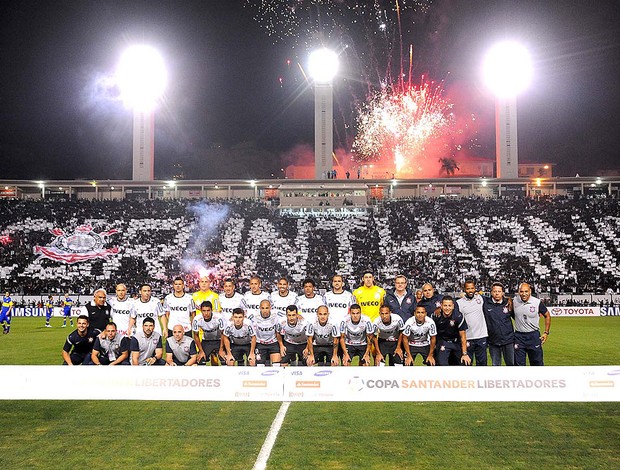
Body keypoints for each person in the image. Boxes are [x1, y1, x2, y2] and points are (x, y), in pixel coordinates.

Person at [513, 283, 551, 366]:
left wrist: (546, 332)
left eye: (526, 291)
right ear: (518, 292)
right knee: (518, 365)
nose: (524, 294)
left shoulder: (537, 302)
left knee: (537, 364)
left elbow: (547, 315)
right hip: (519, 336)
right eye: (521, 291)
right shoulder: (514, 301)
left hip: (533, 336)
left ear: (530, 291)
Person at [456, 279, 488, 366]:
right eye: (468, 288)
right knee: (467, 364)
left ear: (475, 289)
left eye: (472, 288)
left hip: (481, 336)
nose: (470, 291)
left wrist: (509, 300)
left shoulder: (480, 298)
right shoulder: (459, 303)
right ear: (464, 289)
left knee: (482, 364)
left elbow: (495, 300)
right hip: (467, 337)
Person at [483, 282, 515, 366]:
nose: (497, 293)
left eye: (499, 291)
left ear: (503, 293)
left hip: (508, 341)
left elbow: (517, 318)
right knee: (495, 366)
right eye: (495, 291)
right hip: (493, 341)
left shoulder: (508, 303)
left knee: (511, 364)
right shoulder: (485, 304)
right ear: (491, 293)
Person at [433, 296, 471, 366]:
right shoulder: (435, 316)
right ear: (441, 306)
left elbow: (463, 336)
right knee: (442, 364)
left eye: (449, 306)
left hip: (456, 342)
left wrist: (465, 354)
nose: (447, 308)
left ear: (453, 306)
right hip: (443, 342)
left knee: (465, 363)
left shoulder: (458, 316)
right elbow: (432, 335)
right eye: (445, 305)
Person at [192, 301, 225, 365]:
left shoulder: (219, 318)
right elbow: (196, 335)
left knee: (224, 359)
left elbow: (223, 334)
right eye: (204, 311)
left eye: (208, 310)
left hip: (219, 341)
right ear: (201, 310)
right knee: (200, 360)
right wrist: (201, 351)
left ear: (211, 310)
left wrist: (221, 349)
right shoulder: (196, 319)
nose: (206, 313)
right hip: (206, 341)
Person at [252, 299, 283, 366]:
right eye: (262, 308)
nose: (265, 310)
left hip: (273, 343)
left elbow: (288, 316)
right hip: (260, 344)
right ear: (260, 308)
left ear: (270, 308)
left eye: (267, 308)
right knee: (260, 366)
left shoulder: (276, 315)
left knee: (276, 366)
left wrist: (298, 315)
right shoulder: (254, 316)